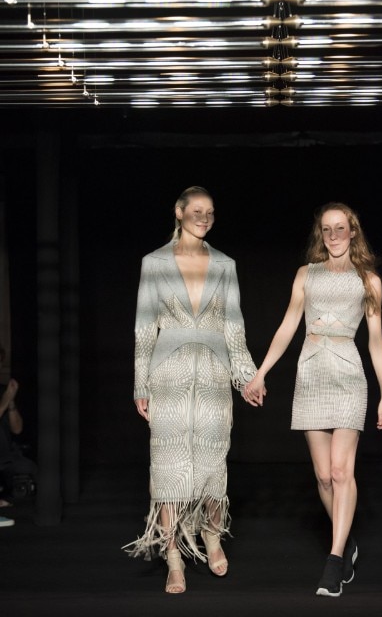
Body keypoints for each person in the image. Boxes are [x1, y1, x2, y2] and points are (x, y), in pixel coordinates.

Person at [243, 201, 382, 597]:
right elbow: (288, 325)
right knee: (324, 476)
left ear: (353, 231)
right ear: (320, 235)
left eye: (341, 228)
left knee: (342, 472)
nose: (334, 235)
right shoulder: (306, 275)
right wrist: (260, 372)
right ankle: (347, 542)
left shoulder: (369, 281)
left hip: (349, 377)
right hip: (311, 375)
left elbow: (376, 340)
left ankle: (334, 559)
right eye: (327, 229)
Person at [123, 186, 258, 594]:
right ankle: (173, 557)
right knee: (168, 466)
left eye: (210, 212)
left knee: (213, 461)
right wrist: (140, 383)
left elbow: (234, 327)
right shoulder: (154, 263)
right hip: (168, 373)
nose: (204, 218)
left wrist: (247, 376)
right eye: (196, 210)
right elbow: (144, 327)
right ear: (179, 212)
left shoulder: (225, 265)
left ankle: (212, 536)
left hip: (215, 373)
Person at [0, 344, 37, 511]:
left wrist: (11, 403)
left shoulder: (4, 390)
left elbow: (17, 429)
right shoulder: (5, 394)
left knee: (33, 470)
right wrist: (6, 399)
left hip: (7, 456)